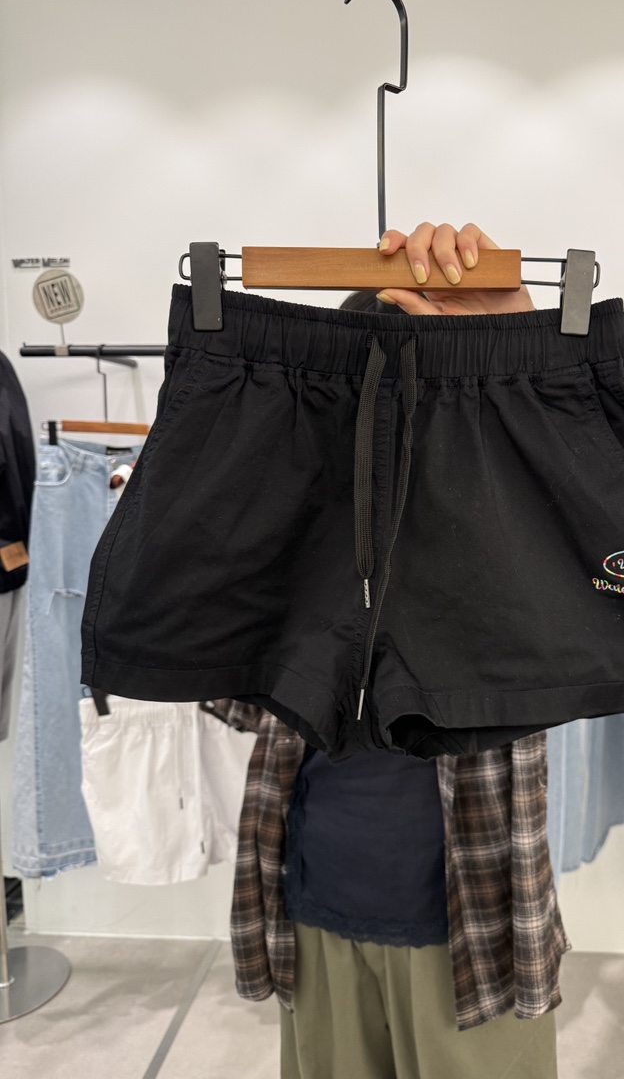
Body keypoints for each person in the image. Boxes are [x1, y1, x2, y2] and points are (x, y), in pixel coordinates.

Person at [226, 223, 567, 1079]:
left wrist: (525, 359)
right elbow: (229, 689)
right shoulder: (297, 536)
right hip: (314, 911)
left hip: (475, 931)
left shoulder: (511, 535)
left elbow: (598, 543)